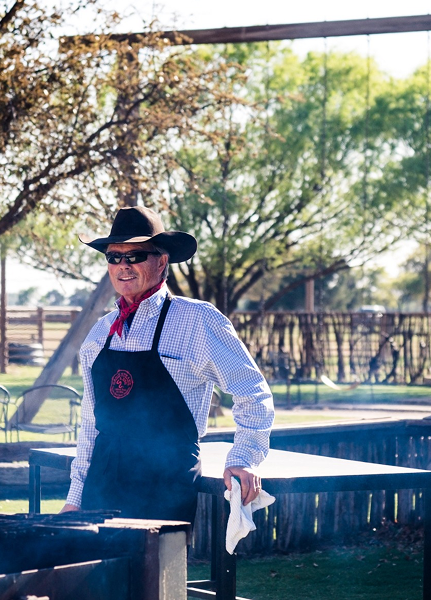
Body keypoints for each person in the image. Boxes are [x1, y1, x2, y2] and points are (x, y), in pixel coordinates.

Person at [60, 206, 274, 523]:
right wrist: (75, 498)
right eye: (114, 257)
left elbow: (252, 392)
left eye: (135, 256)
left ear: (162, 261)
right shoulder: (99, 334)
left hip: (164, 486)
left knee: (154, 572)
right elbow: (91, 424)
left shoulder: (197, 321)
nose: (123, 266)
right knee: (93, 572)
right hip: (100, 487)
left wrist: (243, 458)